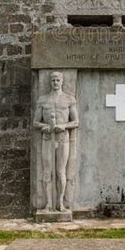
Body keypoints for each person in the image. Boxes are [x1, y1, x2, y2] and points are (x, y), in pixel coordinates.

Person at [33, 71, 79, 212]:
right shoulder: (43, 100)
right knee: (47, 172)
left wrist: (63, 126)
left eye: (57, 79)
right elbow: (36, 122)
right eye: (53, 80)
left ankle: (60, 203)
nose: (55, 82)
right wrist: (44, 126)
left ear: (62, 81)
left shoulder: (69, 99)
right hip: (47, 139)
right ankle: (48, 203)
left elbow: (76, 121)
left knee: (61, 172)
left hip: (62, 138)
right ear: (50, 82)